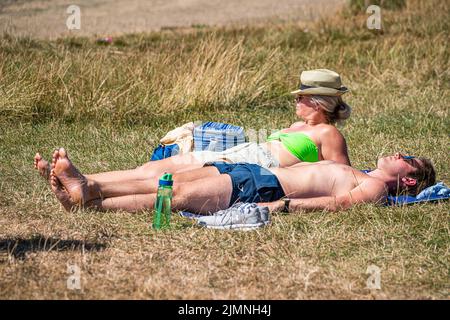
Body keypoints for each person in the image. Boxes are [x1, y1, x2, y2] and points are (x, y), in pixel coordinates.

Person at [34, 69, 353, 186]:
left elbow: (341, 176)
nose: (295, 100)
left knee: (163, 176)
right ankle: (82, 180)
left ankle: (84, 185)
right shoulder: (298, 124)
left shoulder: (328, 133)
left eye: (301, 96)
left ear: (318, 102)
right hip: (243, 154)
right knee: (154, 166)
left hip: (256, 166)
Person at [47, 147, 436, 214]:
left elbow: (337, 205)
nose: (398, 155)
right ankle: (89, 198)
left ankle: (90, 190)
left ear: (407, 181)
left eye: (407, 160)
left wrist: (282, 205)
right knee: (169, 181)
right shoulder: (362, 172)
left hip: (265, 187)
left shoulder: (373, 188)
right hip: (252, 171)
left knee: (176, 194)